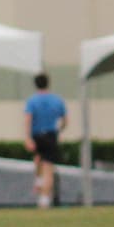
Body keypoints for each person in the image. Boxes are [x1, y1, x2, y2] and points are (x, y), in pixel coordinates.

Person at [24, 73, 69, 209]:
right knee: (48, 167)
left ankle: (38, 181)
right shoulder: (57, 100)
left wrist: (27, 137)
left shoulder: (32, 101)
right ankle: (44, 200)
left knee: (38, 159)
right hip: (50, 135)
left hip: (36, 135)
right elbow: (65, 120)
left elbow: (28, 119)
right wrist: (59, 130)